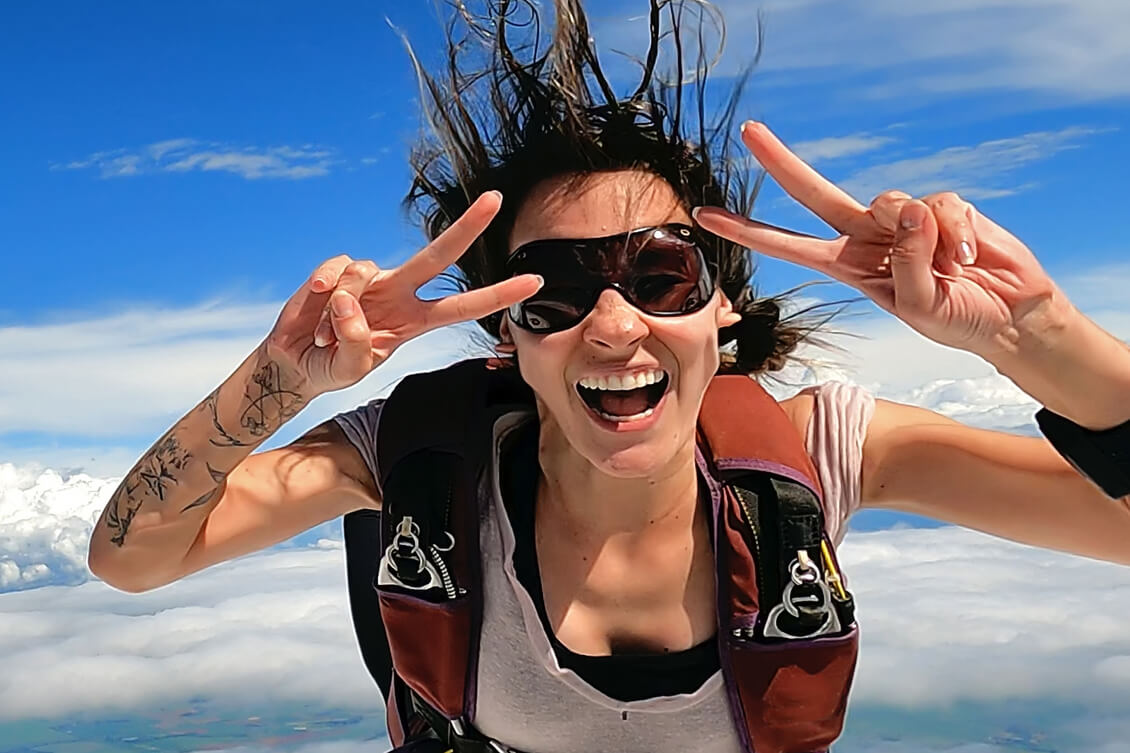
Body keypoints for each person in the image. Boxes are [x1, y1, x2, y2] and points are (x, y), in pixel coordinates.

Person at [87, 1, 1130, 751]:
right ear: (508, 335)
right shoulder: (419, 461)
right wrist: (279, 380)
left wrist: (1033, 337)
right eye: (552, 289)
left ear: (722, 307)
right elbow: (133, 559)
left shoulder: (825, 453)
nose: (613, 323)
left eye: (662, 275)